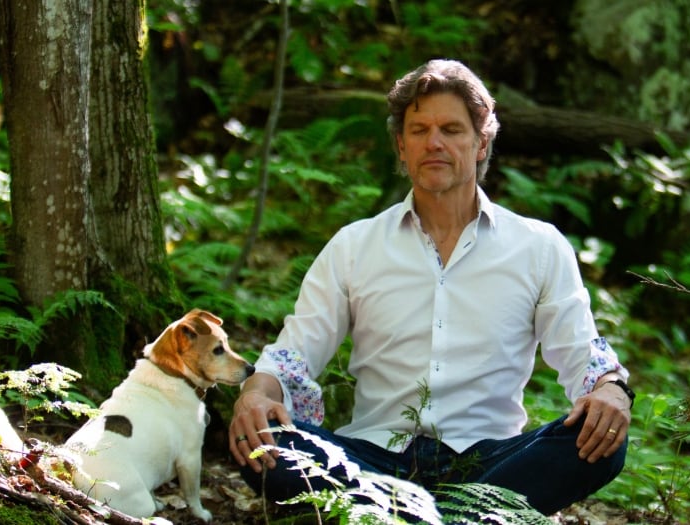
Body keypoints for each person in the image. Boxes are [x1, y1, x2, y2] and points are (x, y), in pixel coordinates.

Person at [229, 59, 633, 517]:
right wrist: (256, 394)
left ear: (482, 143)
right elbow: (294, 354)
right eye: (418, 130)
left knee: (600, 441)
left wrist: (610, 391)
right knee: (267, 442)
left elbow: (585, 355)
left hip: (489, 465)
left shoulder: (538, 247)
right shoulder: (354, 245)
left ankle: (401, 517)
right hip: (368, 461)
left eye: (451, 130)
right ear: (401, 147)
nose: (434, 143)